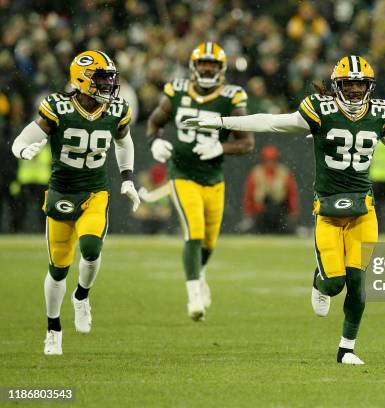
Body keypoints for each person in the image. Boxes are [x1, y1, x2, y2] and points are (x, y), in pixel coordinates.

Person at [184, 55, 385, 364]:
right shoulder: (320, 110)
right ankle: (320, 281)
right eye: (348, 85)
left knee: (357, 282)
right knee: (334, 282)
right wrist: (221, 121)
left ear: (370, 87)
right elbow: (271, 121)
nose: (354, 91)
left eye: (360, 85)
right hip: (327, 209)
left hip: (363, 210)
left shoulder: (379, 113)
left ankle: (346, 349)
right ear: (336, 86)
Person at [11, 50, 140, 355]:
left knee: (92, 249)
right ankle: (53, 328)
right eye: (102, 77)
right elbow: (21, 139)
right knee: (58, 268)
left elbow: (124, 141)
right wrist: (22, 152)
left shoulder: (116, 110)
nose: (109, 84)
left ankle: (81, 296)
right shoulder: (58, 108)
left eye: (110, 77)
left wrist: (128, 178)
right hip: (60, 194)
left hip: (94, 193)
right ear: (83, 78)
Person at [146, 42, 254, 321]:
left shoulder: (231, 97)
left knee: (209, 242)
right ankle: (194, 295)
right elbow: (155, 121)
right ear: (194, 67)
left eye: (213, 65)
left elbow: (246, 143)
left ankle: (199, 272)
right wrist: (155, 141)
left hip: (213, 177)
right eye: (203, 64)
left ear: (221, 69)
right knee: (193, 232)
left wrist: (221, 148)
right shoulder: (177, 91)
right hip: (181, 173)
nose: (207, 69)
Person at [242, 145, 299, 234]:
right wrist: (248, 213)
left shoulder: (284, 173)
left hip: (279, 213)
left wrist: (293, 212)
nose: (270, 163)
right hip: (260, 214)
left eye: (273, 160)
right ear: (263, 160)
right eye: (267, 160)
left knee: (286, 230)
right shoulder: (256, 172)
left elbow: (292, 195)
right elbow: (248, 196)